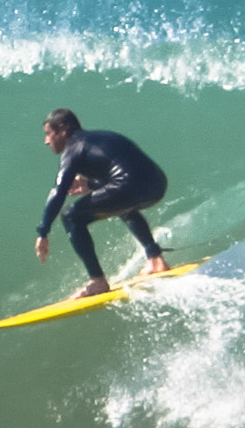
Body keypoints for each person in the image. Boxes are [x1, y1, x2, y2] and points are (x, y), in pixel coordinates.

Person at [32, 108, 172, 295]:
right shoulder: (101, 137)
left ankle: (97, 281)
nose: (46, 141)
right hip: (157, 185)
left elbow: (59, 193)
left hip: (128, 187)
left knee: (70, 215)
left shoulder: (73, 148)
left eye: (49, 133)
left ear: (63, 131)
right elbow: (127, 172)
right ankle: (156, 259)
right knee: (124, 207)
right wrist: (91, 184)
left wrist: (43, 232)